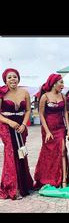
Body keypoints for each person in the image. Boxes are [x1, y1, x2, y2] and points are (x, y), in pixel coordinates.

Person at [0, 68, 33, 200]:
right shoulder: (1, 93)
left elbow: (28, 110)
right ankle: (13, 188)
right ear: (5, 80)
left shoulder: (25, 92)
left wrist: (24, 124)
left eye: (15, 77)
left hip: (21, 126)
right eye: (9, 77)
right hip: (6, 126)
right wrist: (10, 122)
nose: (12, 79)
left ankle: (24, 184)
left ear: (18, 78)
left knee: (21, 152)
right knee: (11, 153)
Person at [34, 73, 69, 189]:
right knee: (49, 153)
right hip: (48, 128)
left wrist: (68, 130)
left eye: (63, 82)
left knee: (63, 150)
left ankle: (64, 178)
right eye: (61, 82)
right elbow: (41, 114)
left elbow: (65, 113)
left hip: (60, 127)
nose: (63, 85)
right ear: (54, 83)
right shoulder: (45, 97)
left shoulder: (63, 97)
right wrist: (47, 131)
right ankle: (48, 177)